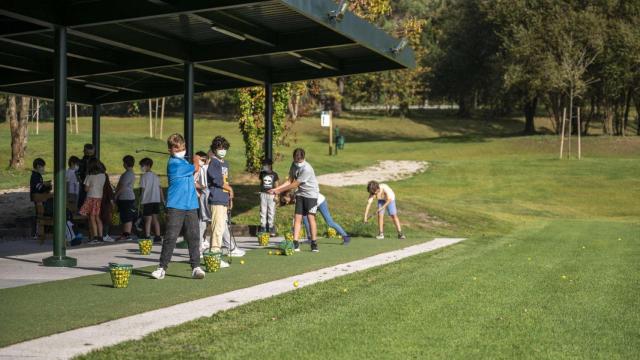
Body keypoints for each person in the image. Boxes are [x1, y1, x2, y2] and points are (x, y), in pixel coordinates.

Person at [151, 134, 205, 280]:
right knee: (171, 237)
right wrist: (196, 160)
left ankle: (196, 267)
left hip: (191, 204)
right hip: (176, 205)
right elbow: (194, 168)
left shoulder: (182, 162)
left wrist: (199, 162)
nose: (182, 150)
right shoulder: (174, 164)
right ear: (170, 150)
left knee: (194, 237)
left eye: (183, 148)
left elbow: (194, 171)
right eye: (178, 149)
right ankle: (162, 268)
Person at [269, 148, 320, 253]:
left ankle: (314, 243)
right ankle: (295, 243)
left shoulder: (307, 169)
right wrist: (276, 189)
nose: (298, 162)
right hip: (300, 194)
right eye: (296, 160)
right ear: (294, 158)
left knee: (311, 218)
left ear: (303, 158)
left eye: (300, 160)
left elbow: (295, 184)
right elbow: (289, 180)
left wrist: (279, 191)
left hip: (311, 194)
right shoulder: (293, 164)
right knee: (297, 218)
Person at [206, 136, 234, 267]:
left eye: (224, 148)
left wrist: (229, 197)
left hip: (223, 199)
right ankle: (214, 255)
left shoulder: (225, 163)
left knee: (221, 228)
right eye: (219, 148)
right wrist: (230, 189)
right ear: (214, 149)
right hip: (216, 198)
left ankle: (216, 255)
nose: (222, 150)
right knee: (217, 228)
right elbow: (217, 180)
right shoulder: (214, 162)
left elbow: (226, 181)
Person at [80, 158, 107, 244]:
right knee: (98, 217)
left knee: (91, 217)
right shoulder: (103, 175)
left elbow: (86, 189)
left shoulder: (89, 176)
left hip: (91, 198)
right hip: (99, 198)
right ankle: (100, 237)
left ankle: (94, 237)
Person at [139, 157, 164, 243]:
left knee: (148, 220)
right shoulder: (156, 176)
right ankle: (158, 236)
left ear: (148, 166)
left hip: (147, 200)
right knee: (155, 219)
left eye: (142, 166)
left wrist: (140, 201)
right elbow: (160, 188)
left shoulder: (144, 177)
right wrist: (163, 200)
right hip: (156, 200)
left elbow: (142, 190)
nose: (141, 167)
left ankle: (147, 235)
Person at [114, 155, 137, 240]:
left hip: (126, 197)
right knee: (125, 216)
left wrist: (116, 195)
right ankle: (125, 233)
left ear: (126, 163)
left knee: (127, 217)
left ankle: (127, 234)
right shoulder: (129, 173)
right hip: (126, 197)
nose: (123, 164)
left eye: (124, 162)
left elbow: (123, 186)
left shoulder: (128, 174)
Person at [194, 151, 211, 253]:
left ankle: (203, 241)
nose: (204, 161)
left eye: (205, 159)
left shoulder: (206, 167)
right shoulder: (200, 169)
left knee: (205, 221)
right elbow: (193, 182)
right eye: (202, 159)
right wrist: (201, 188)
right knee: (203, 221)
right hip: (204, 196)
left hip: (209, 195)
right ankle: (200, 247)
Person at [259, 158, 279, 236]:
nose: (264, 166)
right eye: (263, 165)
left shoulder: (274, 174)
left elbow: (277, 185)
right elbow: (261, 183)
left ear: (270, 165)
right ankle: (263, 227)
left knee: (271, 211)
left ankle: (271, 227)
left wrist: (276, 195)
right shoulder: (262, 174)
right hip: (263, 194)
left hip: (271, 195)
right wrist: (261, 192)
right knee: (263, 211)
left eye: (266, 165)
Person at [99, 161, 116, 242]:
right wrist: (112, 201)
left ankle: (99, 235)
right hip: (105, 201)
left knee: (97, 218)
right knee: (106, 218)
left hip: (97, 199)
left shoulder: (92, 176)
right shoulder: (104, 176)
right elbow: (108, 189)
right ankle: (105, 234)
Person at [77, 144, 96, 209]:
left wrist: (81, 181)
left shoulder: (84, 161)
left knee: (83, 198)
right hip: (90, 183)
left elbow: (79, 172)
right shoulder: (95, 161)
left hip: (85, 183)